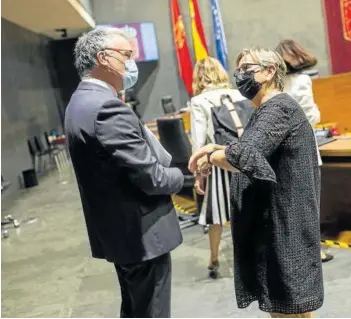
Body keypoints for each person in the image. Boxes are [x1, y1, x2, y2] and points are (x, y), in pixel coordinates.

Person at [189, 48, 324, 318]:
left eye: (247, 69)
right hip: (279, 222)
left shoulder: (279, 108)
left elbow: (245, 155)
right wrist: (217, 147)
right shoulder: (268, 108)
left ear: (270, 71)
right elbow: (252, 147)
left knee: (288, 307)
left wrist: (211, 157)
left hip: (284, 225)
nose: (240, 75)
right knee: (293, 308)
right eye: (238, 70)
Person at [65, 27, 184, 318]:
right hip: (141, 234)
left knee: (135, 309)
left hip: (120, 232)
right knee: (151, 310)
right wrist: (181, 176)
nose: (132, 62)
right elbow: (153, 178)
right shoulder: (106, 107)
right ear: (104, 58)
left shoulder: (80, 101)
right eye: (127, 55)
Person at [190, 57, 249, 278]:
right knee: (248, 209)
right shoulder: (239, 94)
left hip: (220, 161)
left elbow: (198, 141)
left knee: (216, 214)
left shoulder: (199, 101)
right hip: (246, 159)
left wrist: (198, 174)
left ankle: (214, 258)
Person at [277, 39, 333, 263]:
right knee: (309, 203)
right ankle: (314, 251)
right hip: (302, 149)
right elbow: (310, 116)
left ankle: (292, 251)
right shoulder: (302, 81)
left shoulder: (277, 84)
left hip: (280, 150)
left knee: (288, 204)